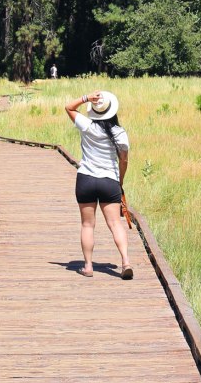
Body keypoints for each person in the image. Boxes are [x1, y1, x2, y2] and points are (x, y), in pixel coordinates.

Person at [65, 89, 133, 279]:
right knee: (115, 223)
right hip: (109, 181)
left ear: (94, 111)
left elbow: (68, 107)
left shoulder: (86, 125)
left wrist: (86, 98)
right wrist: (120, 181)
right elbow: (124, 160)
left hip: (85, 178)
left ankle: (88, 267)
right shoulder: (120, 133)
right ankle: (126, 262)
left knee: (87, 225)